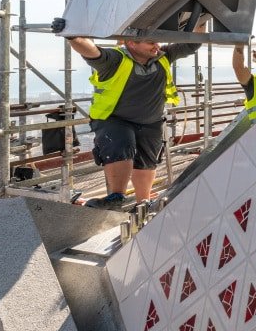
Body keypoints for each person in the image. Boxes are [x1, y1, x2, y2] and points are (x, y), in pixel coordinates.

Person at [63, 23, 203, 207]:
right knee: (121, 144)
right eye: (151, 42)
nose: (157, 46)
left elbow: (193, 43)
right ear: (131, 43)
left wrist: (202, 18)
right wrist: (74, 36)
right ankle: (116, 196)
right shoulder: (115, 59)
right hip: (114, 119)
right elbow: (92, 52)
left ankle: (143, 203)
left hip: (151, 121)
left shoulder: (163, 56)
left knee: (147, 161)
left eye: (157, 42)